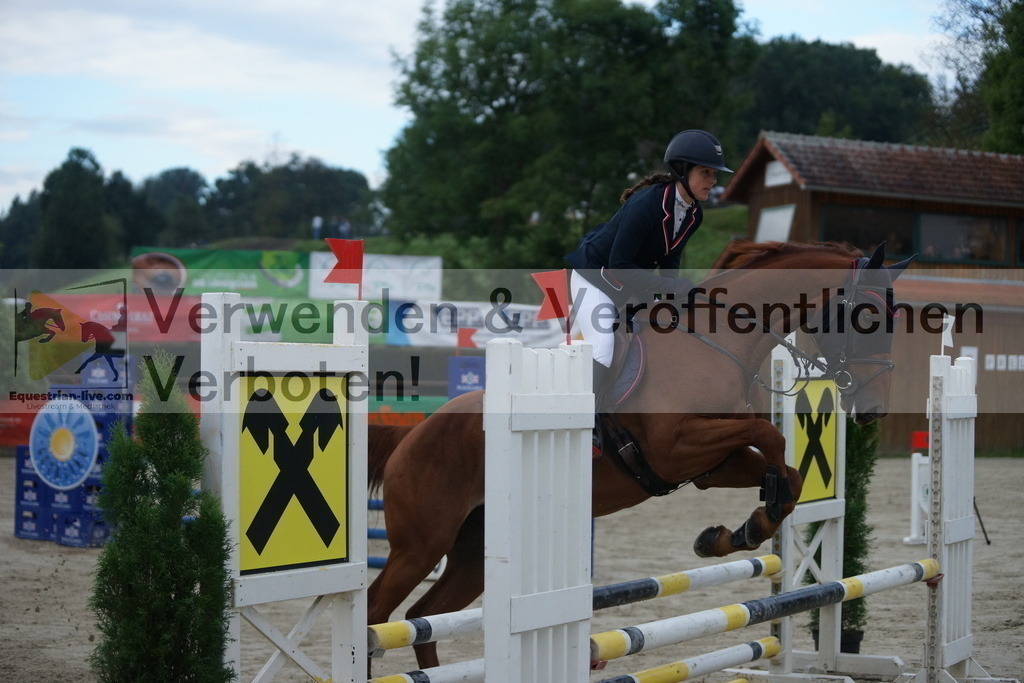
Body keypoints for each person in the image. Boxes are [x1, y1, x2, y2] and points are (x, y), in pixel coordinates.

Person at [564, 129, 732, 386]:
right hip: (595, 279)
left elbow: (670, 259)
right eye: (705, 172)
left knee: (662, 336)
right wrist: (672, 287)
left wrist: (674, 299)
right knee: (602, 346)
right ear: (682, 170)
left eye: (714, 173)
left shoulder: (694, 214)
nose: (713, 180)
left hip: (630, 282)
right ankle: (592, 423)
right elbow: (619, 266)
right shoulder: (645, 205)